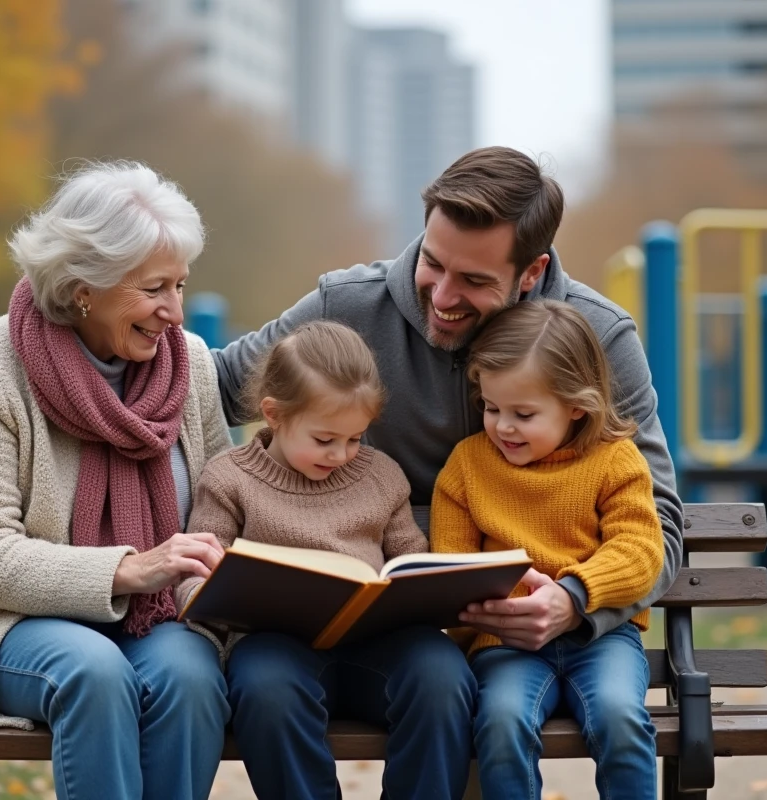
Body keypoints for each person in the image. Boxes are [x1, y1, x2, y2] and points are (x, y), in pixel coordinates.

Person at [212, 145, 683, 655]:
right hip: (365, 632)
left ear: (531, 272)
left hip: (531, 648)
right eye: (431, 262)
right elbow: (214, 384)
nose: (440, 297)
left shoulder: (599, 337)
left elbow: (658, 523)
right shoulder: (347, 306)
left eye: (475, 281)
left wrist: (573, 606)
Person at [0, 161, 234, 799]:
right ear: (84, 286)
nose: (175, 312)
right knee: (93, 671)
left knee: (192, 676)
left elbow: (217, 507)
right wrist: (127, 570)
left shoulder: (193, 367)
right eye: (155, 289)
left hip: (159, 621)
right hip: (12, 624)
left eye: (180, 285)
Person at [179, 320, 476, 800]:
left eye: (356, 438)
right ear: (274, 415)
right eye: (324, 440)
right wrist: (207, 591)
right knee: (265, 687)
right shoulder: (229, 479)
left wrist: (424, 586)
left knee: (442, 675)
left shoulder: (380, 476)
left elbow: (411, 559)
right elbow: (196, 570)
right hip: (276, 648)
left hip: (377, 646)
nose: (342, 454)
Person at [431, 299, 664, 799]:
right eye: (491, 408)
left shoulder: (615, 460)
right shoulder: (468, 466)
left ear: (576, 405)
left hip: (602, 638)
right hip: (504, 645)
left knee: (621, 718)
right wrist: (483, 604)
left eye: (523, 413)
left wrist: (575, 591)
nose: (503, 427)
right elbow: (451, 560)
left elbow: (641, 547)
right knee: (501, 722)